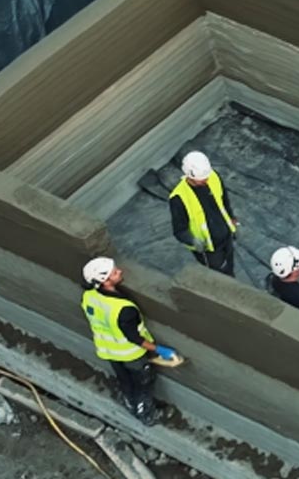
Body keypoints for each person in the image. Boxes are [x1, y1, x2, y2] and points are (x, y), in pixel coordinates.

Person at [80, 257, 177, 424]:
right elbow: (134, 338)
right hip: (130, 355)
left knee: (125, 380)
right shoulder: (123, 310)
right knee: (144, 382)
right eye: (115, 272)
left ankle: (130, 402)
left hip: (108, 350)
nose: (120, 272)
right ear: (105, 281)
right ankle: (145, 413)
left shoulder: (89, 296)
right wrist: (158, 349)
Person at [168, 150, 237, 276]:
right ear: (189, 176)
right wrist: (193, 241)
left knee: (230, 266)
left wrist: (232, 219)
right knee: (219, 276)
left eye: (206, 177)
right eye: (202, 180)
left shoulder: (213, 177)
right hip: (209, 249)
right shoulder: (179, 198)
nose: (206, 181)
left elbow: (224, 201)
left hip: (226, 237)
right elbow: (179, 230)